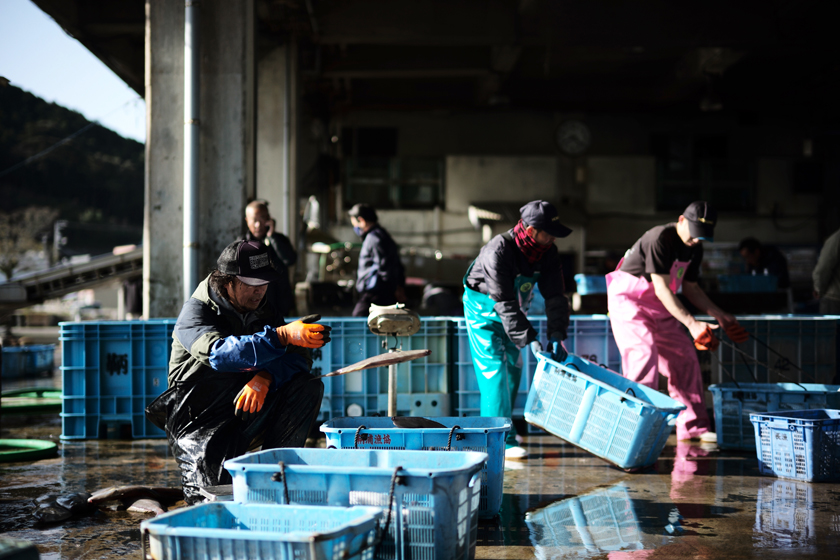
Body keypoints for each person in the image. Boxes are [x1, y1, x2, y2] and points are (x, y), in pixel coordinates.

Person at [146, 239, 330, 504]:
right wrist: (280, 337)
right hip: (198, 422)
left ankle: (274, 475)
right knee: (213, 501)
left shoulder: (264, 309)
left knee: (307, 385)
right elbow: (220, 354)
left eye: (265, 284)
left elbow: (299, 357)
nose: (260, 292)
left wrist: (267, 376)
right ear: (227, 282)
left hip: (243, 410)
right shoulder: (195, 313)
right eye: (252, 285)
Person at [606, 201, 749, 443]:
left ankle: (694, 426)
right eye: (693, 233)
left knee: (685, 356)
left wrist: (720, 315)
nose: (695, 240)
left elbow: (691, 288)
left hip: (660, 305)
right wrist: (693, 324)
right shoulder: (660, 238)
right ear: (681, 220)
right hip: (629, 301)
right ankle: (635, 428)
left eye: (702, 236)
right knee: (643, 354)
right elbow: (662, 287)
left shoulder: (695, 248)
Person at [463, 200, 572, 459]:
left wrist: (557, 334)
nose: (553, 239)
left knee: (514, 368)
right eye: (549, 233)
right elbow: (501, 299)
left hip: (515, 313)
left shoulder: (548, 253)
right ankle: (494, 440)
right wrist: (530, 338)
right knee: (495, 370)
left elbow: (556, 296)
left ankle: (506, 432)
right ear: (531, 229)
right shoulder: (498, 250)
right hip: (484, 312)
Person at [348, 203, 406, 317]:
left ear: (361, 220)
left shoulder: (374, 238)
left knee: (358, 320)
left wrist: (393, 289)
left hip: (376, 292)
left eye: (354, 223)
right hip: (381, 291)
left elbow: (385, 266)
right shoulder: (381, 235)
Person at [244, 200, 298, 316]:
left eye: (262, 219)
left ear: (269, 219)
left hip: (280, 308)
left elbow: (290, 260)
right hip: (253, 310)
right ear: (247, 221)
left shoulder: (280, 240)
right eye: (254, 220)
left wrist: (272, 237)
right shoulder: (241, 245)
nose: (258, 225)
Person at [813, 226, 840, 314]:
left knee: (830, 327)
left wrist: (819, 289)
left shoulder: (836, 239)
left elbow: (823, 269)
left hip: (835, 298)